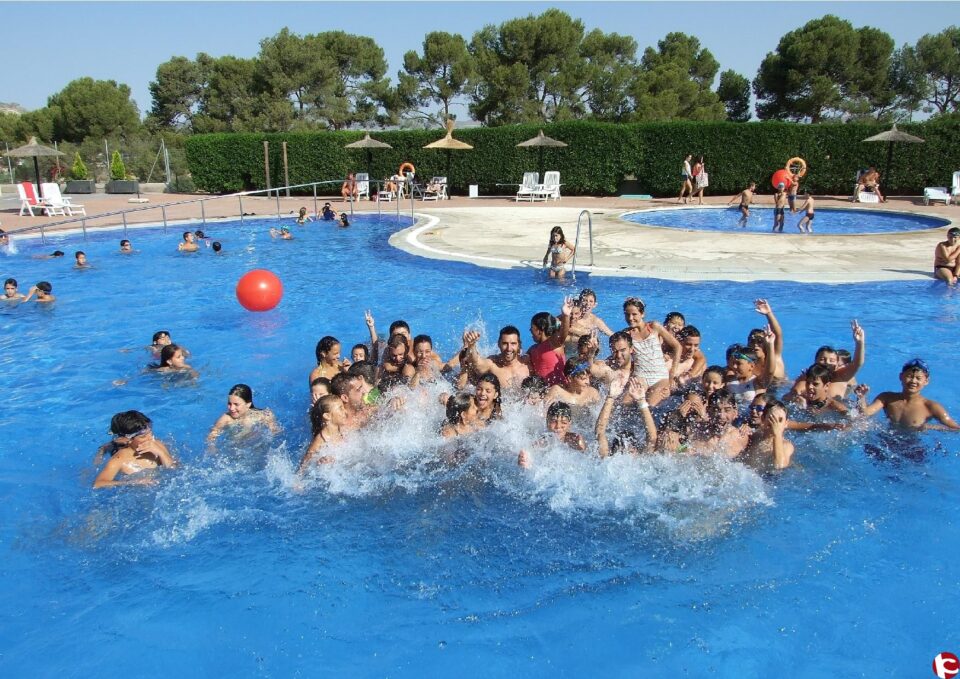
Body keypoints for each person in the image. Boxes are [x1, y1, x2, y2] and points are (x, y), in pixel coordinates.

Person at [856, 358, 959, 431]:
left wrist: (930, 427)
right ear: (901, 376)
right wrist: (861, 397)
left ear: (926, 381)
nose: (913, 381)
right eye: (909, 376)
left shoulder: (930, 407)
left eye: (918, 378)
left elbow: (956, 428)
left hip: (912, 449)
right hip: (886, 442)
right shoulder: (886, 398)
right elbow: (863, 414)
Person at [621, 297, 681, 407]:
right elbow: (619, 355)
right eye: (627, 314)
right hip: (640, 377)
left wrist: (672, 375)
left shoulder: (654, 327)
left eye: (634, 314)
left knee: (650, 406)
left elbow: (677, 346)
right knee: (623, 404)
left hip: (660, 377)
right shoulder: (626, 335)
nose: (630, 318)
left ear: (642, 314)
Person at [93, 410, 177, 488]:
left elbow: (175, 469)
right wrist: (132, 482)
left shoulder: (157, 444)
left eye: (150, 432)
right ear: (127, 439)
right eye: (143, 436)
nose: (151, 437)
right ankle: (105, 447)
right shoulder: (119, 459)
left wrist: (161, 453)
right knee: (112, 445)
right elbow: (98, 484)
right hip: (123, 444)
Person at [460, 325, 532, 390]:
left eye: (513, 343)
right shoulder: (492, 364)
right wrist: (472, 345)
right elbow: (476, 362)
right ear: (498, 344)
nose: (509, 348)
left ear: (519, 345)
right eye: (504, 343)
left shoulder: (528, 363)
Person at [518, 401, 587, 468]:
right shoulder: (544, 440)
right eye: (554, 421)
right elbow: (531, 449)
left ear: (569, 424)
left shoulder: (574, 439)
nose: (558, 426)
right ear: (547, 421)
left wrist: (582, 448)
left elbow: (588, 456)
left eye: (564, 422)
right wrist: (525, 458)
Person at [206, 384, 280, 445]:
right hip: (236, 449)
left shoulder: (263, 415)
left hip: (258, 446)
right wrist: (212, 447)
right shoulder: (226, 419)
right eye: (229, 404)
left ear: (248, 404)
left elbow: (275, 433)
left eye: (236, 404)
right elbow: (211, 436)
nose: (231, 408)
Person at [528, 297, 574, 386]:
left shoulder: (553, 343)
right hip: (541, 391)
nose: (530, 330)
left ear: (539, 330)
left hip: (559, 389)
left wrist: (566, 315)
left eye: (532, 328)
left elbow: (563, 334)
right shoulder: (532, 349)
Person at [740, 400, 795, 471]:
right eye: (772, 418)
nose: (776, 423)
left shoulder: (786, 445)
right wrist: (744, 429)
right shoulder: (755, 436)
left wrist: (777, 434)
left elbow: (780, 465)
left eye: (780, 420)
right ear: (763, 419)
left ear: (786, 424)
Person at [299, 394, 348, 470]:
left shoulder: (342, 430)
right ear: (327, 416)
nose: (345, 411)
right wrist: (319, 462)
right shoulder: (320, 441)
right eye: (340, 408)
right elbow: (304, 465)